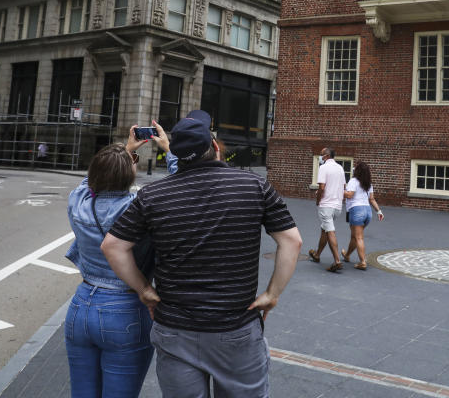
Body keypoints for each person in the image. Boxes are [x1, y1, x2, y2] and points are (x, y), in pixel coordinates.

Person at [102, 110, 301, 398]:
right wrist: (272, 294)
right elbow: (291, 242)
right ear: (216, 147)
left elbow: (112, 246)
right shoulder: (255, 187)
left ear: (176, 155)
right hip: (236, 327)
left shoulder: (152, 196)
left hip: (175, 328)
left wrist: (144, 290)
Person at [63, 124, 166, 398]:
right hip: (126, 308)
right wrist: (167, 149)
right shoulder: (138, 207)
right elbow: (186, 190)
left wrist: (127, 149)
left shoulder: (79, 200)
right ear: (129, 174)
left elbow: (90, 179)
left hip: (81, 304)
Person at [307, 147, 346, 272]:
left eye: (321, 154)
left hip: (326, 205)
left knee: (330, 232)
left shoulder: (323, 168)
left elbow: (322, 187)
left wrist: (318, 200)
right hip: (337, 206)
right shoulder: (340, 168)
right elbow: (343, 186)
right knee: (325, 229)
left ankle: (337, 261)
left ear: (326, 156)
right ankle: (317, 254)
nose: (320, 156)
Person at [340, 161, 384, 270]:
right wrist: (379, 211)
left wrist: (338, 190)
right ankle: (347, 255)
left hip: (356, 210)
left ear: (357, 171)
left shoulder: (353, 181)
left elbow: (349, 195)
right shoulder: (368, 184)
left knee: (358, 237)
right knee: (355, 236)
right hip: (367, 211)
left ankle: (363, 262)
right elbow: (372, 199)